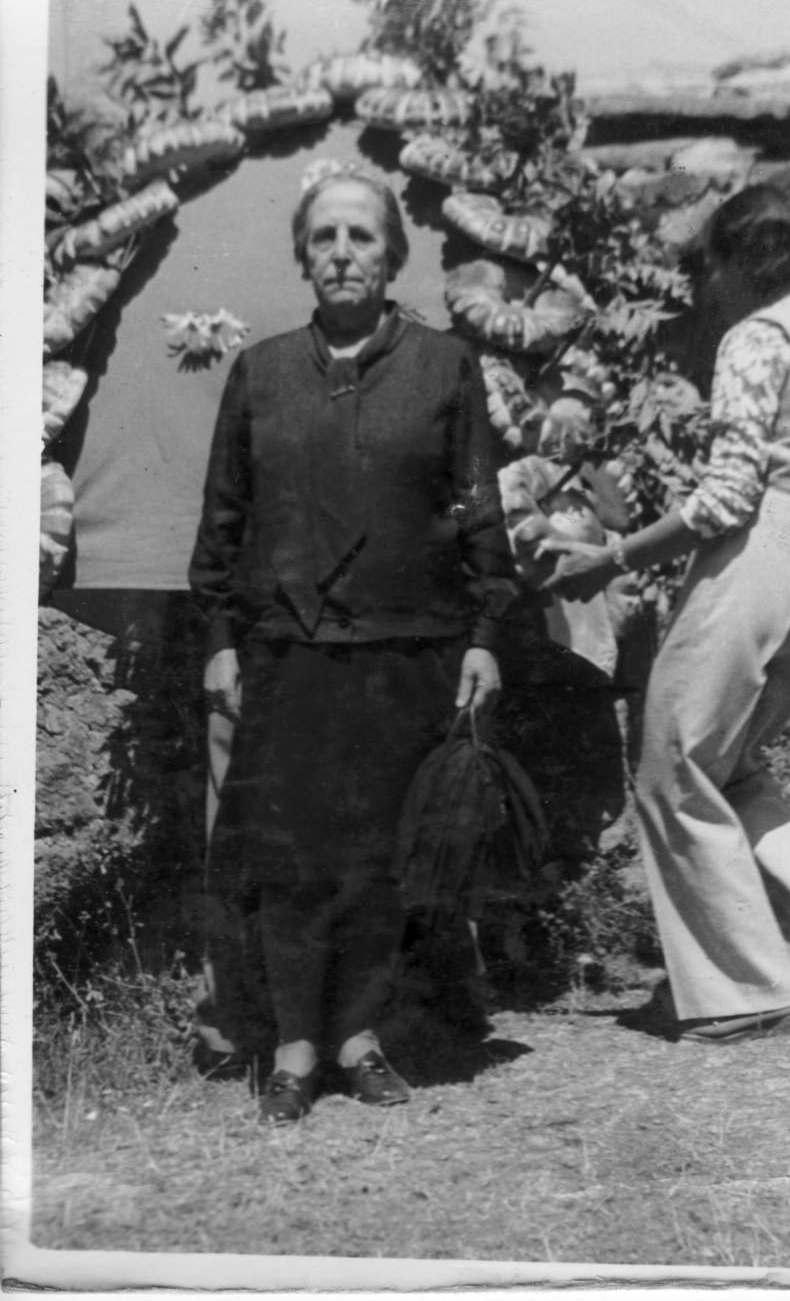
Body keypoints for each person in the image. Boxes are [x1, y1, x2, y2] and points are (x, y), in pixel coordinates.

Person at [189, 160, 516, 1122]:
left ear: (391, 255)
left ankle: (358, 1036)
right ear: (302, 256)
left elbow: (479, 511)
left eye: (360, 236)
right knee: (290, 858)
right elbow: (223, 519)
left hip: (405, 651)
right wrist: (220, 634)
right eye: (323, 237)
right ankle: (294, 1047)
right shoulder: (261, 373)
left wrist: (484, 633)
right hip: (286, 651)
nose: (340, 253)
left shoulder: (444, 368)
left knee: (379, 857)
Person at [542, 184, 790, 1042]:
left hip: (760, 564)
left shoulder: (759, 335)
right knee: (725, 762)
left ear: (743, 259)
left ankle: (746, 992)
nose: (708, 290)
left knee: (670, 760)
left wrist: (613, 556)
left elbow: (728, 496)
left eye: (710, 269)